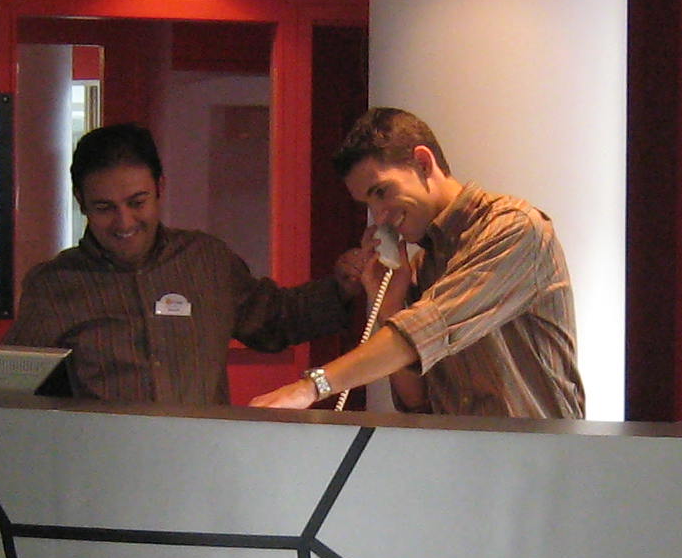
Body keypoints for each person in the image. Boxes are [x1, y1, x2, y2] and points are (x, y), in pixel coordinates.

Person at [247, 107, 584, 420]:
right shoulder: (424, 264)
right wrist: (388, 303)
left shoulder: (513, 228)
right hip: (462, 454)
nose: (379, 217)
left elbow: (427, 327)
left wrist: (310, 387)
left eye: (382, 192)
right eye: (368, 204)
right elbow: (417, 401)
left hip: (538, 454)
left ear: (423, 163)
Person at [9, 123, 356, 405]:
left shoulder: (206, 262)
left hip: (202, 456)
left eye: (137, 202)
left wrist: (342, 288)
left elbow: (276, 319)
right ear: (81, 202)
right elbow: (15, 388)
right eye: (104, 208)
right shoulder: (54, 285)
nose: (124, 222)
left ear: (159, 188)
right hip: (103, 460)